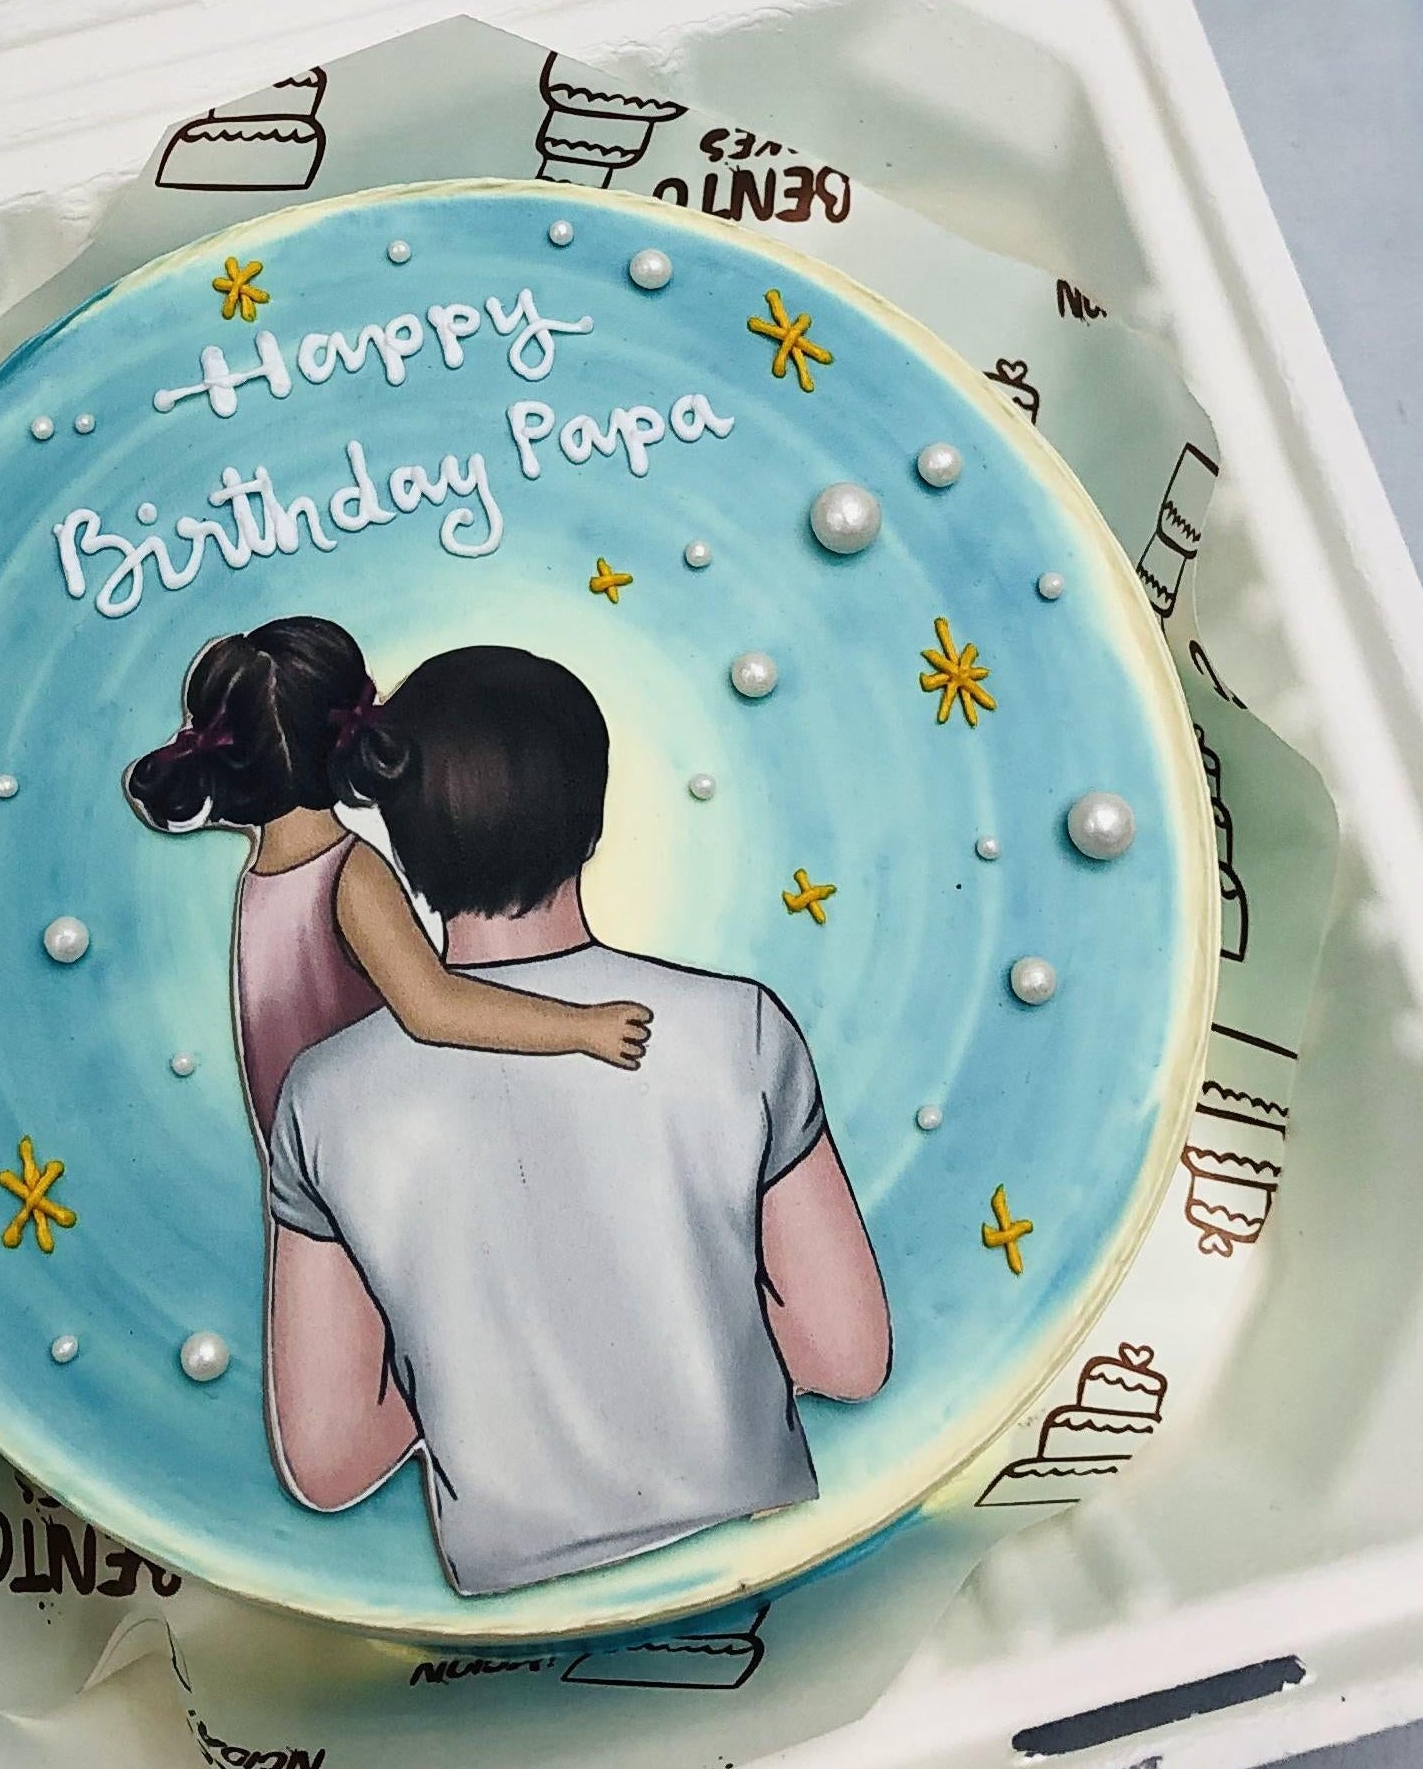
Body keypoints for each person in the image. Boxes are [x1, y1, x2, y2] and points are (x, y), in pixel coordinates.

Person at [261, 644, 890, 1599]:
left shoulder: (322, 1097)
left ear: (400, 831)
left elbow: (330, 1457)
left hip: (508, 1602)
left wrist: (476, 1361)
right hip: (763, 1555)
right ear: (594, 818)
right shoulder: (739, 1029)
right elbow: (848, 1356)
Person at [122, 619, 651, 1146]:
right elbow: (432, 1008)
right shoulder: (345, 873)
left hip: (308, 1151)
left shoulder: (262, 882)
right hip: (375, 1147)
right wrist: (582, 1028)